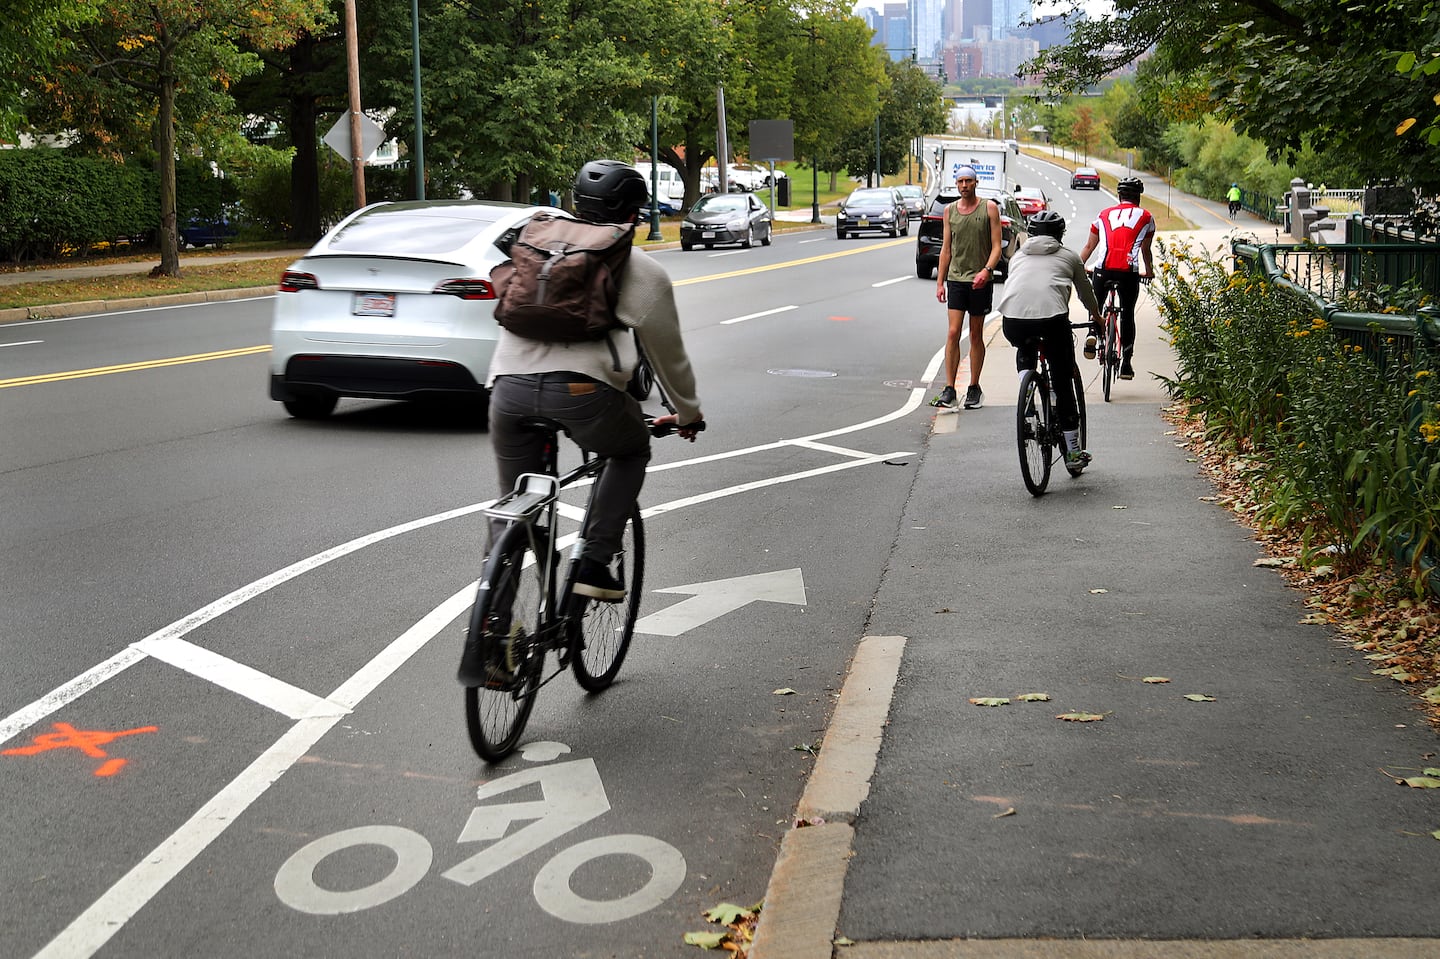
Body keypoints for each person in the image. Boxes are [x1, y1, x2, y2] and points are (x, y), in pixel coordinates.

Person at [486, 159, 704, 602]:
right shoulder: (641, 270)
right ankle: (595, 560)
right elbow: (668, 357)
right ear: (632, 217)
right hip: (584, 393)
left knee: (514, 508)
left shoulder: (540, 242)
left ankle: (493, 639)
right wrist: (687, 413)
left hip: (507, 390)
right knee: (629, 451)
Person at [997, 210, 1103, 470]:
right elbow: (1085, 294)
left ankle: (1028, 387)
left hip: (1013, 320)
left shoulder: (1017, 256)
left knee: (1025, 345)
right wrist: (1097, 318)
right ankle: (1074, 453)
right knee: (1063, 380)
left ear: (1031, 233)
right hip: (1052, 320)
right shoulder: (1070, 256)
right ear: (1060, 234)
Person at [931, 165, 1003, 410]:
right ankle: (949, 389)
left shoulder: (989, 208)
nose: (964, 186)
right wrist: (940, 282)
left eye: (968, 181)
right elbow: (946, 249)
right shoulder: (950, 211)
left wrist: (987, 270)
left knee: (975, 334)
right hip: (957, 279)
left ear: (975, 183)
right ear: (956, 184)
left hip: (980, 280)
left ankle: (974, 387)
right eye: (960, 181)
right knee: (952, 333)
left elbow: (996, 247)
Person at [1079, 175, 1155, 381]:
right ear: (1138, 197)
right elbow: (1146, 252)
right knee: (1128, 313)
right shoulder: (1146, 217)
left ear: (1119, 195)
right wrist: (1149, 271)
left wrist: (1078, 267)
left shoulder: (1103, 215)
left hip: (1102, 269)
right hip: (1128, 271)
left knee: (1095, 305)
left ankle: (1092, 334)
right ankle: (1127, 364)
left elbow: (1089, 247)